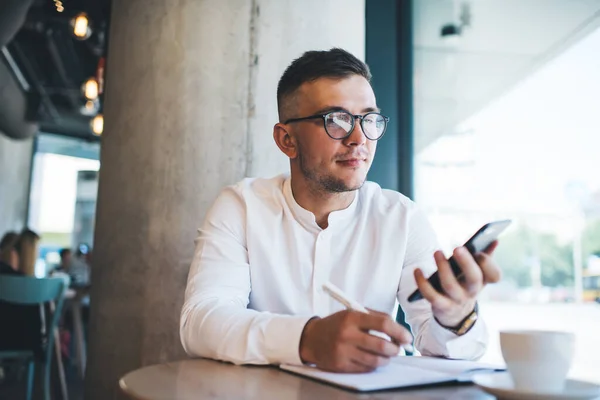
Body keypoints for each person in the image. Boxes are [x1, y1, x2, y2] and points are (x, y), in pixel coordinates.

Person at [180, 48, 501, 373]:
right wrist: (307, 338)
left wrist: (455, 318)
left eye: (369, 119)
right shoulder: (242, 207)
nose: (359, 138)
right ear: (287, 139)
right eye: (336, 120)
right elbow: (202, 321)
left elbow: (439, 346)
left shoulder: (400, 217)